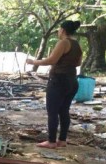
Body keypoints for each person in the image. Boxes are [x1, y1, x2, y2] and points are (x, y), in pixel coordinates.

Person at [26, 20, 82, 149]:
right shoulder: (77, 44)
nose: (58, 31)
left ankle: (51, 141)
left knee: (52, 111)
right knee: (64, 110)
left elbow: (52, 60)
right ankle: (62, 140)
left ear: (62, 30)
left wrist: (33, 62)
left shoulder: (63, 43)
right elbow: (78, 63)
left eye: (58, 29)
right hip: (72, 80)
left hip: (58, 81)